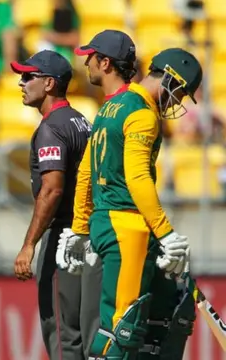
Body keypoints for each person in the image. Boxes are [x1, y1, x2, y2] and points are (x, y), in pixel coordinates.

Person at [57, 48, 202, 359]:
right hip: (126, 227)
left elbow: (86, 173)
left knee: (157, 321)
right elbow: (137, 178)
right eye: (180, 94)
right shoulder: (143, 114)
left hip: (107, 223)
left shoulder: (110, 106)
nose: (177, 103)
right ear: (171, 81)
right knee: (121, 331)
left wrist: (81, 228)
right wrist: (167, 234)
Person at [11, 49, 101, 359]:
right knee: (86, 333)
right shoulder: (81, 121)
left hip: (64, 237)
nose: (21, 83)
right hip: (91, 233)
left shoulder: (51, 128)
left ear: (49, 83)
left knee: (63, 334)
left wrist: (28, 245)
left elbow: (51, 190)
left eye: (27, 77)